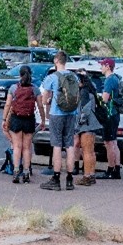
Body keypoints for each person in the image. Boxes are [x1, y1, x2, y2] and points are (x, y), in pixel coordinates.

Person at [39, 51, 80, 191]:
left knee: (56, 144)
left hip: (57, 113)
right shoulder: (73, 76)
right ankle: (69, 179)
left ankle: (56, 178)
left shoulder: (52, 77)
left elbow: (44, 99)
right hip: (72, 112)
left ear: (57, 60)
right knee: (69, 144)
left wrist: (49, 101)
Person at [3, 64, 43, 184]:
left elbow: (7, 104)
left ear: (19, 75)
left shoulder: (13, 88)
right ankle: (26, 172)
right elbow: (40, 106)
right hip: (29, 119)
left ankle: (16, 171)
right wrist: (43, 119)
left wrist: (4, 119)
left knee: (17, 147)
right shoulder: (35, 89)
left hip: (16, 118)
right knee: (27, 147)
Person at [73, 70, 103, 186]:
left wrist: (79, 124)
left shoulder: (84, 92)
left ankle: (86, 176)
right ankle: (91, 174)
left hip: (86, 126)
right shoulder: (91, 91)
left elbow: (85, 110)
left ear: (80, 82)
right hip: (93, 125)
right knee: (91, 151)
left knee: (86, 151)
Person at [98, 58, 123, 180]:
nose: (101, 67)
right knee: (114, 142)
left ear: (108, 66)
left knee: (108, 143)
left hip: (109, 114)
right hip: (115, 114)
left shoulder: (109, 80)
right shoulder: (116, 79)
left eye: (102, 65)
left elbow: (104, 99)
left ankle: (110, 169)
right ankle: (116, 169)